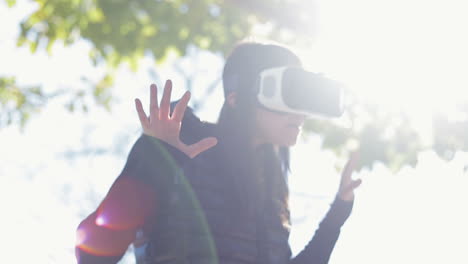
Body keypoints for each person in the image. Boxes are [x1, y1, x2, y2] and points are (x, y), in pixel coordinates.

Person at [75, 42, 362, 264]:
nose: (300, 112)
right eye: (289, 91)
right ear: (237, 98)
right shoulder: (184, 140)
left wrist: (338, 212)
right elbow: (93, 256)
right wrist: (154, 157)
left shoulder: (273, 183)